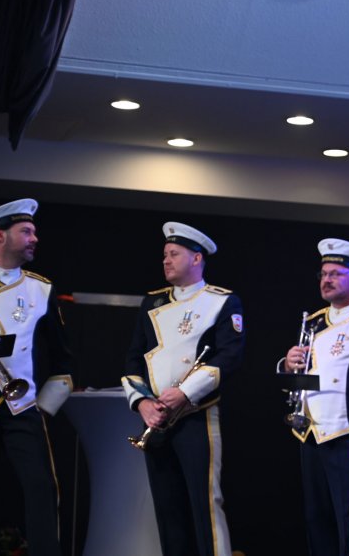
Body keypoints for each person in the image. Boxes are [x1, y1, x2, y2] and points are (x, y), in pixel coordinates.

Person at [121, 222, 244, 556]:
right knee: (168, 510)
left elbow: (229, 356)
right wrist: (142, 403)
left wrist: (185, 393)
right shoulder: (152, 302)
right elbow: (133, 358)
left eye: (174, 254)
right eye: (164, 254)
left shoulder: (221, 301)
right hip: (156, 418)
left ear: (196, 258)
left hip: (197, 416)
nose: (166, 260)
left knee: (206, 505)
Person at [279, 238, 349, 556]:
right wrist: (287, 365)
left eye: (335, 274)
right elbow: (304, 377)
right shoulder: (313, 321)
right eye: (323, 274)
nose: (326, 280)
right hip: (311, 431)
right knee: (317, 520)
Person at [0, 198, 72, 556]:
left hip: (21, 406)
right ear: (0, 235)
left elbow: (63, 361)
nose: (34, 238)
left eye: (35, 231)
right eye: (25, 231)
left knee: (42, 488)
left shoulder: (41, 289)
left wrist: (42, 408)